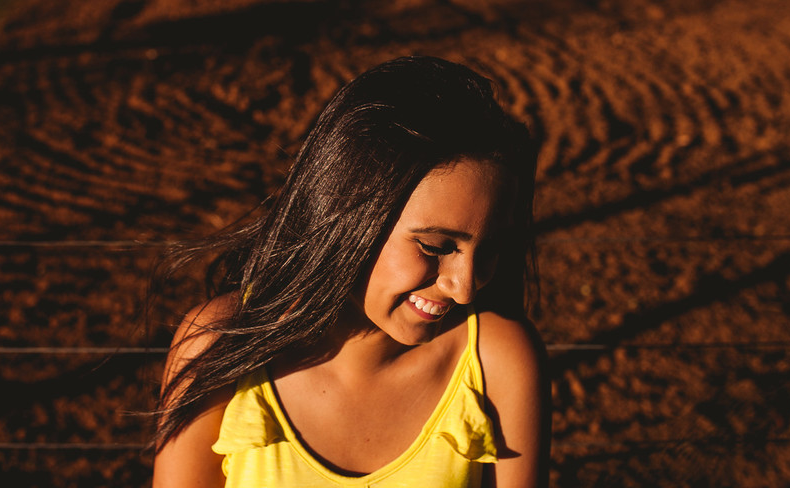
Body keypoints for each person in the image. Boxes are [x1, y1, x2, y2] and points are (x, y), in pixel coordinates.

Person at [153, 56, 548, 488]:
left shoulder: (498, 362)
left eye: (490, 248)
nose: (465, 286)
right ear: (347, 213)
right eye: (434, 246)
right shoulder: (217, 348)